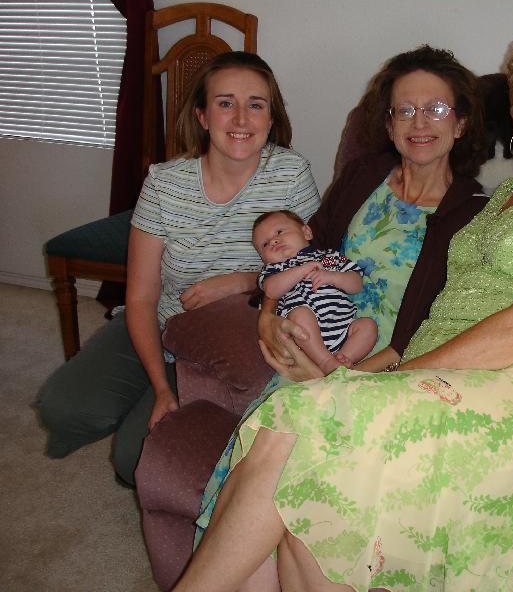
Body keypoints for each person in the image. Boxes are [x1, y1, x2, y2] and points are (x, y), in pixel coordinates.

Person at [177, 23, 513, 592]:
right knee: (313, 497)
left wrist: (395, 377)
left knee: (299, 422)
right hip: (445, 376)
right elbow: (318, 258)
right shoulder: (501, 200)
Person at [181, 43, 489, 587]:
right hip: (313, 340)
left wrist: (343, 378)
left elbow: (438, 328)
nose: (419, 123)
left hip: (386, 371)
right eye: (404, 110)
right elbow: (306, 249)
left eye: (437, 109)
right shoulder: (364, 174)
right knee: (258, 498)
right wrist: (268, 313)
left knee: (285, 469)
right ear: (388, 123)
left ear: (461, 123)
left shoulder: (472, 210)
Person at [36, 52, 320, 487]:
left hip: (229, 339)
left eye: (255, 104)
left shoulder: (291, 174)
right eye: (225, 103)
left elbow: (311, 266)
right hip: (162, 318)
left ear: (271, 117)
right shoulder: (164, 183)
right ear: (202, 116)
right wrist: (161, 388)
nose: (241, 118)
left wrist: (242, 282)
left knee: (134, 458)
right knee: (63, 408)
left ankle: (149, 420)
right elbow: (141, 296)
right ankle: (148, 392)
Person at [253, 210, 377, 374]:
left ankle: (342, 360)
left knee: (368, 326)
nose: (273, 241)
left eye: (279, 232)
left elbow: (357, 284)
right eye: (265, 244)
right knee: (300, 314)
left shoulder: (329, 257)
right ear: (263, 258)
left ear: (306, 232)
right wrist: (303, 270)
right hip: (304, 340)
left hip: (343, 327)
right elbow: (271, 291)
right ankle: (325, 362)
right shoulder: (274, 270)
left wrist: (333, 277)